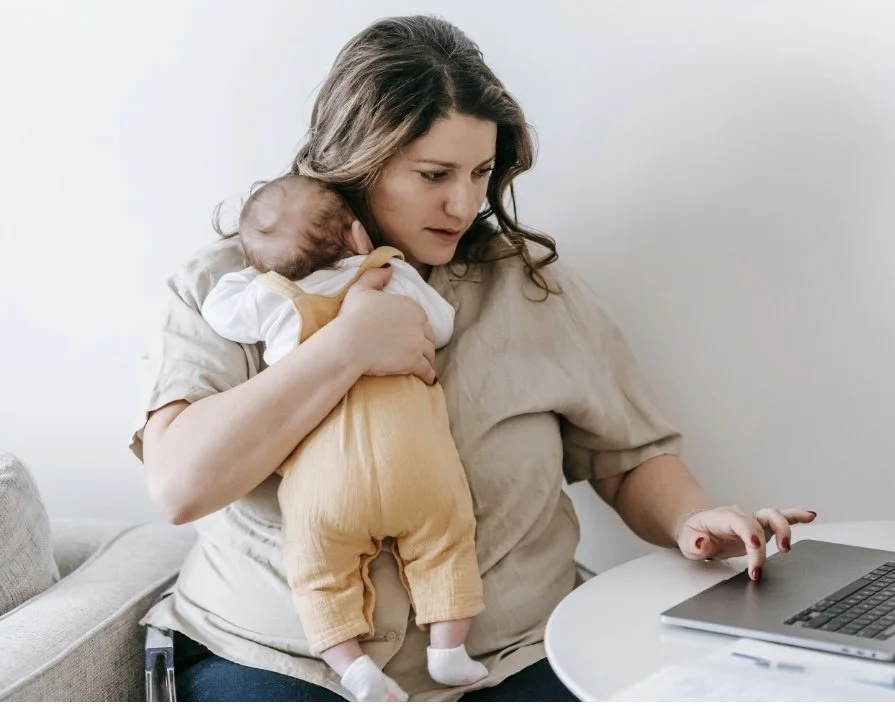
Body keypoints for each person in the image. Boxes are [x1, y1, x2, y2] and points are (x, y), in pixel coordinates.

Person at [132, 14, 816, 702]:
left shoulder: (530, 284)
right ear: (357, 159)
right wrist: (342, 349)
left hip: (512, 657)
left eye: (481, 173)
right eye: (434, 174)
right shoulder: (231, 289)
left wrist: (691, 521)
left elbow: (628, 456)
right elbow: (181, 487)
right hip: (278, 659)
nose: (463, 203)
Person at [199, 174, 487, 701]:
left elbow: (219, 309)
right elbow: (441, 325)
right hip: (416, 462)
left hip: (325, 481)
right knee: (447, 541)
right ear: (356, 235)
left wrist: (257, 271)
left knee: (317, 571)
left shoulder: (276, 298)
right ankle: (448, 650)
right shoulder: (388, 273)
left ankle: (353, 669)